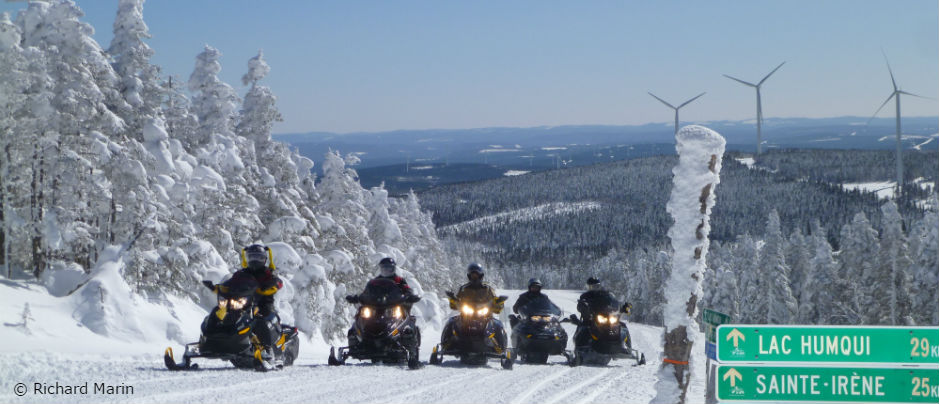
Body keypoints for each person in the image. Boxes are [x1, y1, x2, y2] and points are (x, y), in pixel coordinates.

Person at [223, 244, 284, 364]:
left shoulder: (267, 273)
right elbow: (230, 282)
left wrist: (272, 284)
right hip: (243, 303)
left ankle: (268, 350)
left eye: (258, 258)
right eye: (252, 257)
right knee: (221, 315)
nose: (255, 260)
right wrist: (220, 287)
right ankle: (211, 343)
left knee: (261, 320)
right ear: (247, 259)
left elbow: (278, 282)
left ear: (264, 259)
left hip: (263, 304)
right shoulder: (241, 274)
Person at [346, 257, 420, 304]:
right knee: (359, 320)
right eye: (384, 268)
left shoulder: (399, 280)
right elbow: (366, 292)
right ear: (381, 269)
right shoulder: (375, 282)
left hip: (394, 306)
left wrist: (410, 296)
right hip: (375, 308)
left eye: (389, 268)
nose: (386, 271)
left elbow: (407, 289)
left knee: (407, 321)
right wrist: (357, 298)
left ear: (393, 269)